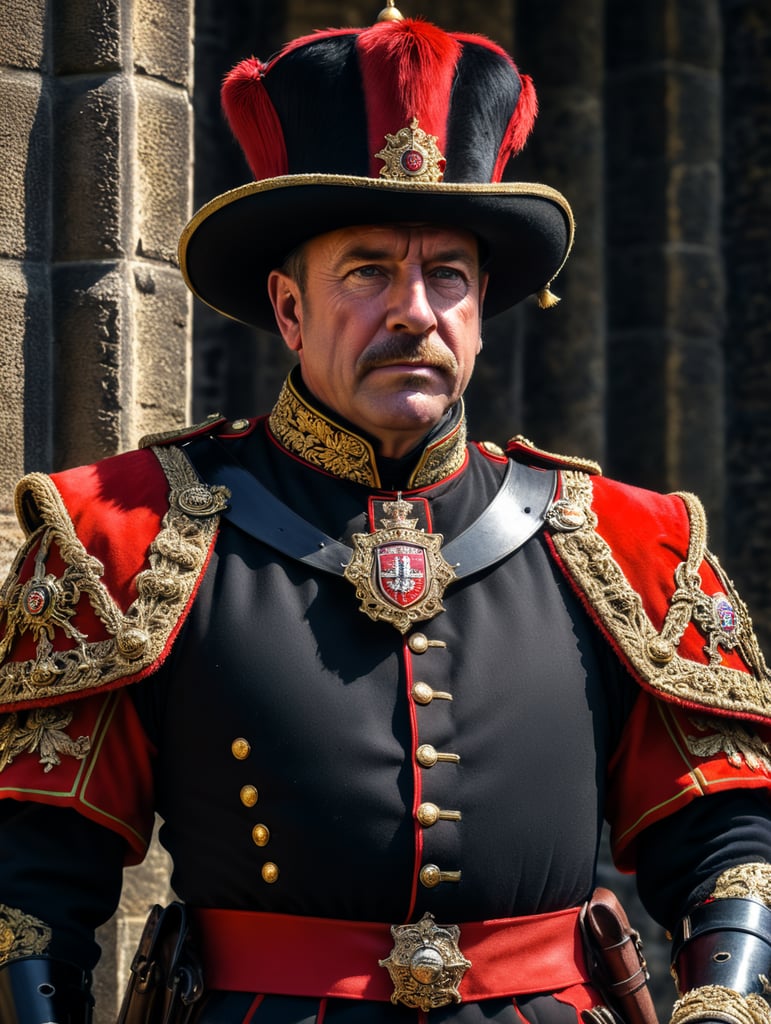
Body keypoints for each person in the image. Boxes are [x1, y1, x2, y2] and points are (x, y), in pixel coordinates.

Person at [1, 8, 771, 1024]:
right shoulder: (124, 539)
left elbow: (725, 831)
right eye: (368, 269)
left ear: (481, 308)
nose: (414, 308)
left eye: (446, 273)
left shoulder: (633, 546)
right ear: (288, 308)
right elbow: (31, 883)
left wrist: (722, 1000)